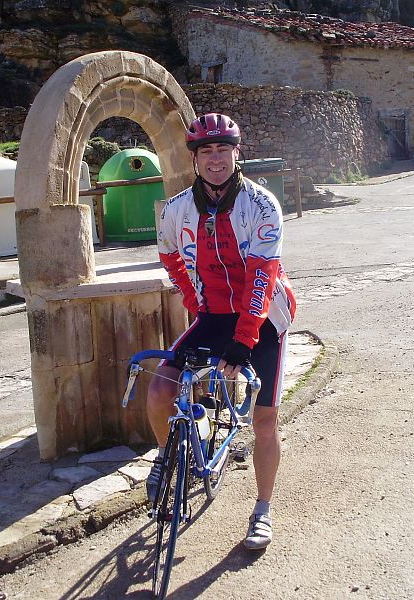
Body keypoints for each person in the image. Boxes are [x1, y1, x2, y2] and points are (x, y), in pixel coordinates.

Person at [147, 113, 296, 550]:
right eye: (205, 151)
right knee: (159, 388)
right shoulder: (176, 210)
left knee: (264, 420)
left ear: (237, 152)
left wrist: (245, 340)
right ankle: (165, 457)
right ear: (194, 159)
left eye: (222, 150)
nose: (215, 159)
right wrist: (197, 306)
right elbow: (170, 258)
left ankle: (262, 510)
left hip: (265, 316)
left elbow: (262, 276)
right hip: (214, 313)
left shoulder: (263, 205)